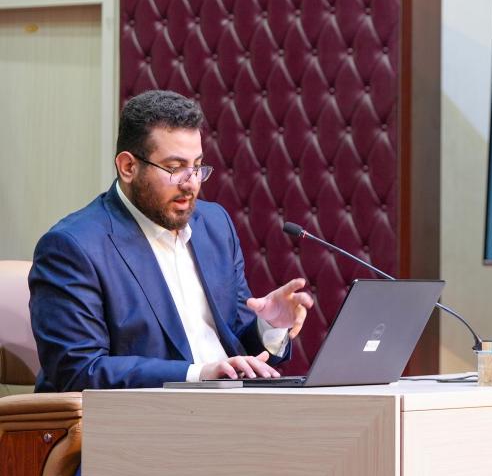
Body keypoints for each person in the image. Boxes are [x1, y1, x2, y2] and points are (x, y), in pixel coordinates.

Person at [30, 90, 315, 393]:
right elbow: (78, 370)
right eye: (175, 167)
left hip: (231, 405)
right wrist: (197, 375)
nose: (191, 183)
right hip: (146, 414)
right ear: (128, 167)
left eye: (197, 166)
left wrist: (270, 325)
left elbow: (238, 343)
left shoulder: (214, 225)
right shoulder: (73, 247)